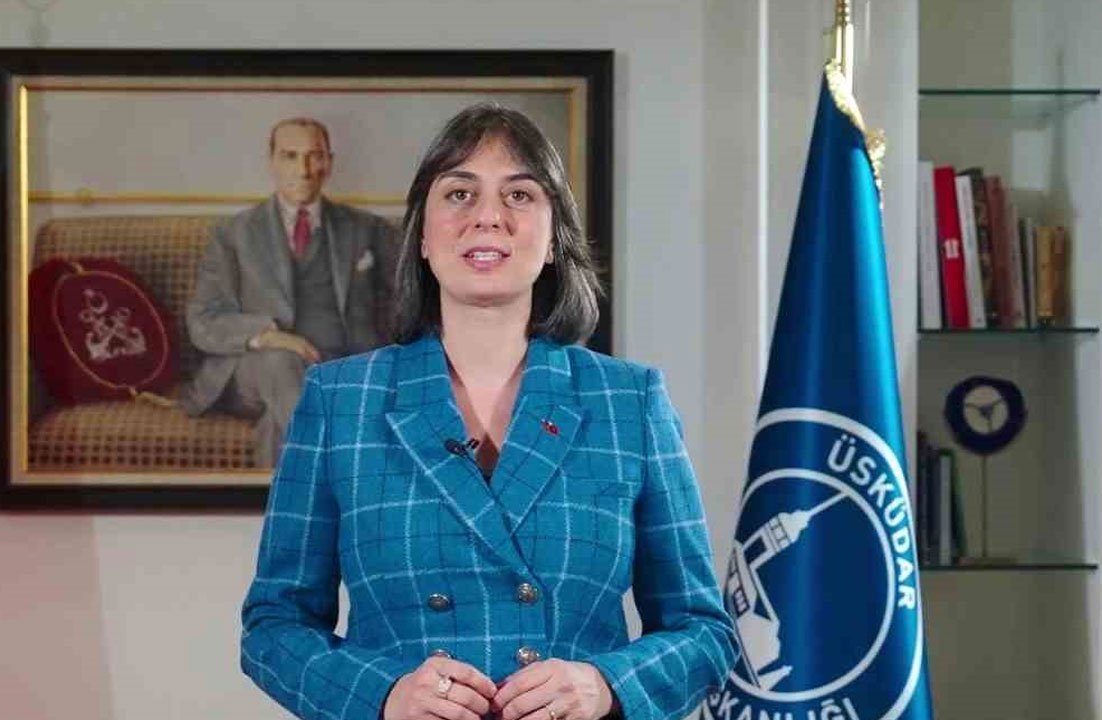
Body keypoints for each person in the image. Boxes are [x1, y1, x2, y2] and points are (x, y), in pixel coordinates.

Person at [239, 104, 738, 720]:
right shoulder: (340, 399)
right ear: (423, 237)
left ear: (554, 238)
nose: (488, 217)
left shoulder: (629, 401)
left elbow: (703, 631)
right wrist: (384, 695)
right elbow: (273, 626)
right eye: (460, 193)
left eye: (519, 195)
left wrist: (603, 686)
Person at [182, 117, 398, 466]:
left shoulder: (366, 228)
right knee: (281, 362)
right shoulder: (234, 234)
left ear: (329, 163)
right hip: (256, 370)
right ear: (272, 162)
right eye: (290, 156)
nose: (304, 170)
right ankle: (345, 467)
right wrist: (269, 336)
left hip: (338, 369)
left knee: (279, 425)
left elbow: (409, 300)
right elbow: (203, 320)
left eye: (315, 156)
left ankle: (296, 497)